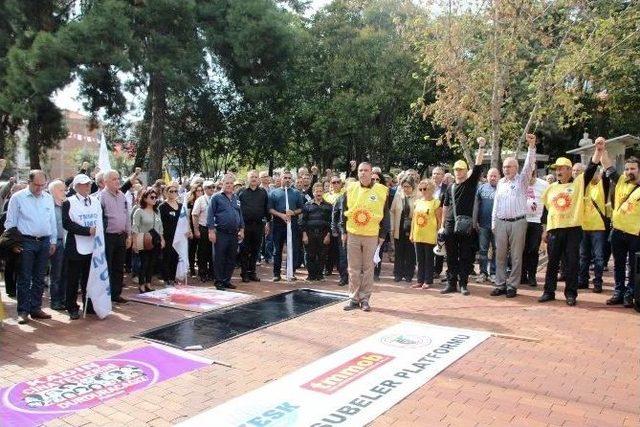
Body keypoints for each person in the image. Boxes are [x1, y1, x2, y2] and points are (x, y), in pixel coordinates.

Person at [538, 139, 602, 306]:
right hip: (554, 230)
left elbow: (591, 168)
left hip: (573, 228)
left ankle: (571, 294)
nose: (558, 171)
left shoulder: (579, 184)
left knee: (572, 262)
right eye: (556, 169)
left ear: (569, 170)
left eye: (561, 168)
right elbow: (546, 211)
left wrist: (599, 150)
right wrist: (544, 230)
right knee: (552, 263)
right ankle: (548, 291)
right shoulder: (550, 188)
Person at [5, 170, 58, 324]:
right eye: (36, 185)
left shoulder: (48, 198)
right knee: (24, 277)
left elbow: (52, 221)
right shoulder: (18, 198)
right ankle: (23, 311)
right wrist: (13, 244)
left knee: (39, 277)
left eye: (43, 185)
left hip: (44, 241)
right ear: (29, 182)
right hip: (25, 242)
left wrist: (53, 240)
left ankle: (35, 308)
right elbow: (10, 223)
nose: (39, 188)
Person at [489, 133, 538, 298]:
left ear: (516, 168)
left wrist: (531, 147)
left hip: (518, 222)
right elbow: (496, 203)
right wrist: (493, 223)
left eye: (509, 167)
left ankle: (512, 286)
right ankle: (500, 284)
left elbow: (530, 165)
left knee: (516, 256)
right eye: (504, 167)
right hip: (501, 222)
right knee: (500, 255)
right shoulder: (501, 183)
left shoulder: (522, 180)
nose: (506, 169)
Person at [340, 162, 390, 312]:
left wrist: (383, 234)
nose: (363, 173)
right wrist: (343, 231)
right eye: (360, 170)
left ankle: (365, 298)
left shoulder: (382, 191)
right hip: (353, 233)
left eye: (366, 170)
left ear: (371, 172)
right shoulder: (350, 189)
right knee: (353, 268)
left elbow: (386, 215)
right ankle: (353, 298)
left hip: (371, 234)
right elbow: (344, 211)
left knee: (368, 268)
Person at [439, 138, 486, 296]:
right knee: (451, 256)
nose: (458, 172)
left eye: (461, 169)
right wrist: (442, 225)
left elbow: (478, 165)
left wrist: (480, 146)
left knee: (465, 255)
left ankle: (463, 284)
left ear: (466, 171)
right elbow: (445, 207)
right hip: (451, 225)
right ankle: (451, 283)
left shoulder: (471, 183)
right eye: (456, 170)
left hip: (466, 224)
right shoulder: (450, 187)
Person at [602, 148, 640, 308]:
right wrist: (601, 149)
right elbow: (607, 165)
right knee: (618, 264)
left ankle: (630, 294)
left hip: (635, 234)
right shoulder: (620, 181)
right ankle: (618, 292)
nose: (628, 171)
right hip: (617, 231)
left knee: (634, 266)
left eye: (632, 169)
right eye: (626, 168)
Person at [63, 174, 101, 320]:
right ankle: (71, 306)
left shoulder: (95, 201)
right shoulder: (69, 202)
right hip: (75, 246)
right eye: (84, 184)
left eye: (89, 184)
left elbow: (100, 218)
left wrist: (97, 229)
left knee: (89, 278)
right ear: (77, 186)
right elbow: (67, 223)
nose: (88, 186)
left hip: (93, 245)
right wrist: (86, 231)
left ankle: (88, 304)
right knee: (73, 278)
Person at [101, 170, 133, 304]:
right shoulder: (101, 197)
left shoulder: (122, 196)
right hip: (108, 236)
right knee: (107, 266)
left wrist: (129, 234)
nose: (117, 181)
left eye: (118, 178)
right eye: (114, 179)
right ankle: (105, 296)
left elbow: (127, 216)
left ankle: (116, 293)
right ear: (106, 182)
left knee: (119, 267)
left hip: (121, 236)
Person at [208, 174, 244, 289]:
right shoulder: (216, 197)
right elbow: (210, 215)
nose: (229, 185)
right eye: (226, 183)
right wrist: (211, 231)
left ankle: (226, 280)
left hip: (234, 233)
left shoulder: (236, 198)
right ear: (222, 184)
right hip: (221, 232)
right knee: (219, 257)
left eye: (231, 183)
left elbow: (240, 214)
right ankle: (218, 281)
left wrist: (242, 229)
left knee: (231, 258)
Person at [268, 170, 304, 282]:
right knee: (277, 249)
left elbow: (302, 208)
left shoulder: (296, 193)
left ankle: (290, 272)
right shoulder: (273, 193)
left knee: (292, 248)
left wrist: (293, 213)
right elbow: (270, 209)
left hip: (292, 223)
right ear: (281, 179)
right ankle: (276, 273)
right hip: (278, 224)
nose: (287, 180)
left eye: (289, 178)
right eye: (285, 178)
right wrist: (281, 215)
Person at [578, 168, 608, 293]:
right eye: (592, 173)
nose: (593, 175)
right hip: (584, 227)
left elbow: (606, 176)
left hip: (598, 228)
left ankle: (598, 282)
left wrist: (602, 158)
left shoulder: (603, 185)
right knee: (583, 256)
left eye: (596, 172)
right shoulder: (584, 186)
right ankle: (583, 280)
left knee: (598, 257)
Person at [237, 170, 269, 282]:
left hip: (259, 225)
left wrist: (267, 223)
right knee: (245, 250)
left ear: (258, 179)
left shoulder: (263, 192)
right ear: (248, 178)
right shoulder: (241, 192)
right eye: (252, 177)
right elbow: (237, 209)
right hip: (245, 226)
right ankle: (244, 273)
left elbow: (266, 209)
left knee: (256, 250)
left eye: (256, 177)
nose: (254, 179)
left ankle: (252, 272)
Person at [410, 179, 441, 289]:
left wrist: (438, 233)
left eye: (425, 189)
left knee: (429, 258)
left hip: (430, 234)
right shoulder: (418, 202)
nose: (423, 191)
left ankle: (428, 280)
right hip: (418, 233)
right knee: (419, 259)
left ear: (431, 189)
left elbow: (439, 220)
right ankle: (419, 280)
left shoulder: (436, 202)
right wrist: (412, 233)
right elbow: (414, 219)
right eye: (421, 189)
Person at [132, 188, 165, 293]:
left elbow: (160, 227)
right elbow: (135, 227)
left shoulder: (157, 211)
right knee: (144, 263)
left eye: (156, 197)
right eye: (152, 197)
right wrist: (135, 242)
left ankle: (148, 284)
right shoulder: (139, 211)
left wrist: (162, 239)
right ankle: (141, 285)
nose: (154, 199)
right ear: (145, 198)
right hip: (143, 239)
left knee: (152, 263)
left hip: (155, 240)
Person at [521, 169, 549, 287]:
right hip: (521, 221)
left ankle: (532, 275)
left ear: (535, 174)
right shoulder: (520, 183)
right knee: (521, 250)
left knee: (533, 249)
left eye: (532, 176)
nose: (529, 179)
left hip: (536, 222)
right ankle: (522, 275)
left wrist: (545, 228)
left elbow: (548, 207)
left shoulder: (544, 185)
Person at [300, 182, 333, 281]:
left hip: (323, 234)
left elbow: (330, 222)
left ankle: (320, 275)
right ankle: (311, 275)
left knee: (322, 255)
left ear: (323, 192)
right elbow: (303, 221)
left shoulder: (328, 206)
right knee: (310, 255)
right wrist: (304, 235)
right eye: (316, 191)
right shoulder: (307, 205)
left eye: (320, 191)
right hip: (310, 233)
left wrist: (328, 235)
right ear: (313, 193)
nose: (318, 193)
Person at [390, 176, 417, 282]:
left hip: (412, 227)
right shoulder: (398, 196)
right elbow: (392, 211)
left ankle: (409, 274)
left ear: (413, 186)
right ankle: (398, 273)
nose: (406, 189)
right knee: (399, 251)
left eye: (408, 186)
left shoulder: (417, 196)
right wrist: (392, 227)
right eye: (404, 186)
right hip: (399, 226)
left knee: (410, 252)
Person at [475, 168, 499, 283]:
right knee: (483, 250)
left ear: (499, 176)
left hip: (498, 226)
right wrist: (475, 221)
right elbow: (476, 206)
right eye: (491, 176)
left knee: (496, 249)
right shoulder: (481, 188)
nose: (493, 178)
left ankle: (493, 273)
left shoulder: (502, 188)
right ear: (487, 176)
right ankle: (483, 273)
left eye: (495, 176)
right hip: (483, 224)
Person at [48, 180, 67, 311]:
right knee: (56, 274)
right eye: (61, 190)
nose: (64, 192)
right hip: (56, 243)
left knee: (66, 273)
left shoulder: (67, 205)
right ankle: (55, 301)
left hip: (68, 242)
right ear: (53, 191)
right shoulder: (48, 206)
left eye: (64, 189)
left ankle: (64, 299)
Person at [159, 182, 182, 287]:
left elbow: (184, 221)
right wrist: (161, 237)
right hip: (167, 236)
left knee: (175, 257)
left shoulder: (181, 206)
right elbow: (160, 223)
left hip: (178, 236)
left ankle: (173, 278)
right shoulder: (162, 206)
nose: (173, 193)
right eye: (171, 191)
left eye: (175, 191)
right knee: (167, 257)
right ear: (166, 192)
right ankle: (166, 279)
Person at [192, 181, 215, 281]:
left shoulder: (216, 199)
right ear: (205, 189)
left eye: (213, 187)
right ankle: (202, 273)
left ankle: (212, 273)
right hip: (204, 228)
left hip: (214, 229)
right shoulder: (200, 200)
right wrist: (196, 230)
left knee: (213, 252)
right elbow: (195, 215)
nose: (212, 189)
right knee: (203, 252)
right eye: (209, 187)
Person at [323, 175, 344, 276]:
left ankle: (341, 269)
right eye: (333, 182)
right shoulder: (325, 196)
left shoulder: (344, 194)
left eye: (338, 182)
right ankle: (328, 268)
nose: (336, 184)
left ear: (341, 184)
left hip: (339, 225)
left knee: (339, 249)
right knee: (328, 248)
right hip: (327, 224)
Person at [431, 167, 448, 279]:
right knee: (428, 245)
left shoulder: (447, 189)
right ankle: (428, 268)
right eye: (434, 173)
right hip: (427, 221)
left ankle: (437, 270)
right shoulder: (426, 188)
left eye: (438, 173)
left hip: (440, 221)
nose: (436, 175)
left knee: (439, 245)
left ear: (443, 176)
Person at [185, 184, 203, 277]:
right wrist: (190, 230)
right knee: (192, 249)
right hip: (192, 227)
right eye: (197, 190)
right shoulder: (190, 203)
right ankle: (191, 269)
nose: (199, 192)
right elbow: (188, 217)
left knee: (201, 250)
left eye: (201, 190)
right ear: (194, 192)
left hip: (202, 227)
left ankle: (201, 269)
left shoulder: (204, 201)